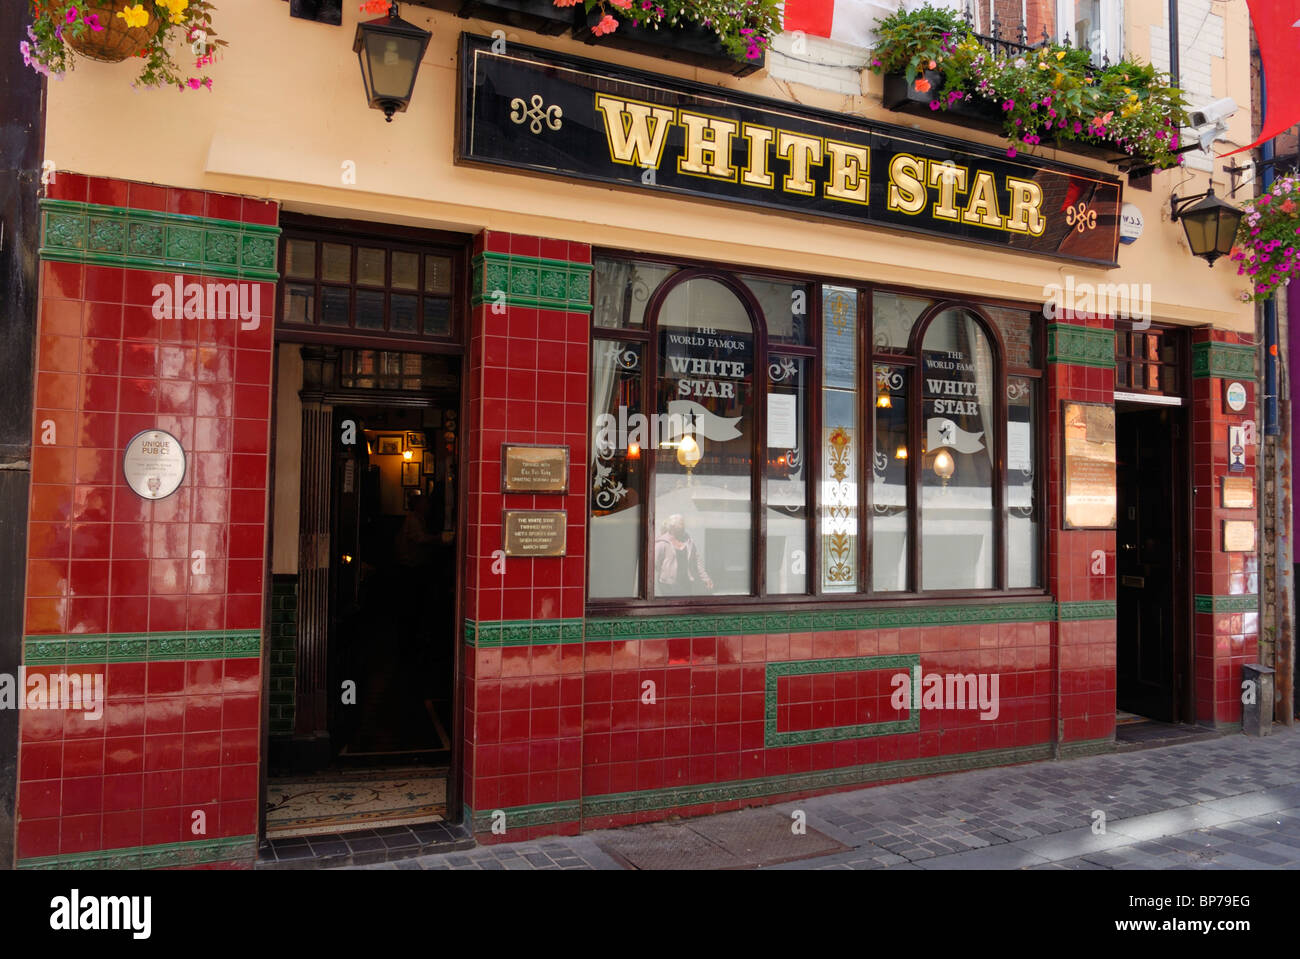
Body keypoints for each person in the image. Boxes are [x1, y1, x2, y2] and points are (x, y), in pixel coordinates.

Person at [654, 513, 714, 594]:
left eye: (683, 527)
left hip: (686, 582)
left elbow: (697, 562)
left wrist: (706, 578)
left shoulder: (688, 541)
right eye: (680, 528)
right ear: (672, 528)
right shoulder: (662, 543)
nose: (683, 530)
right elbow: (655, 563)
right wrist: (666, 572)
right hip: (668, 584)